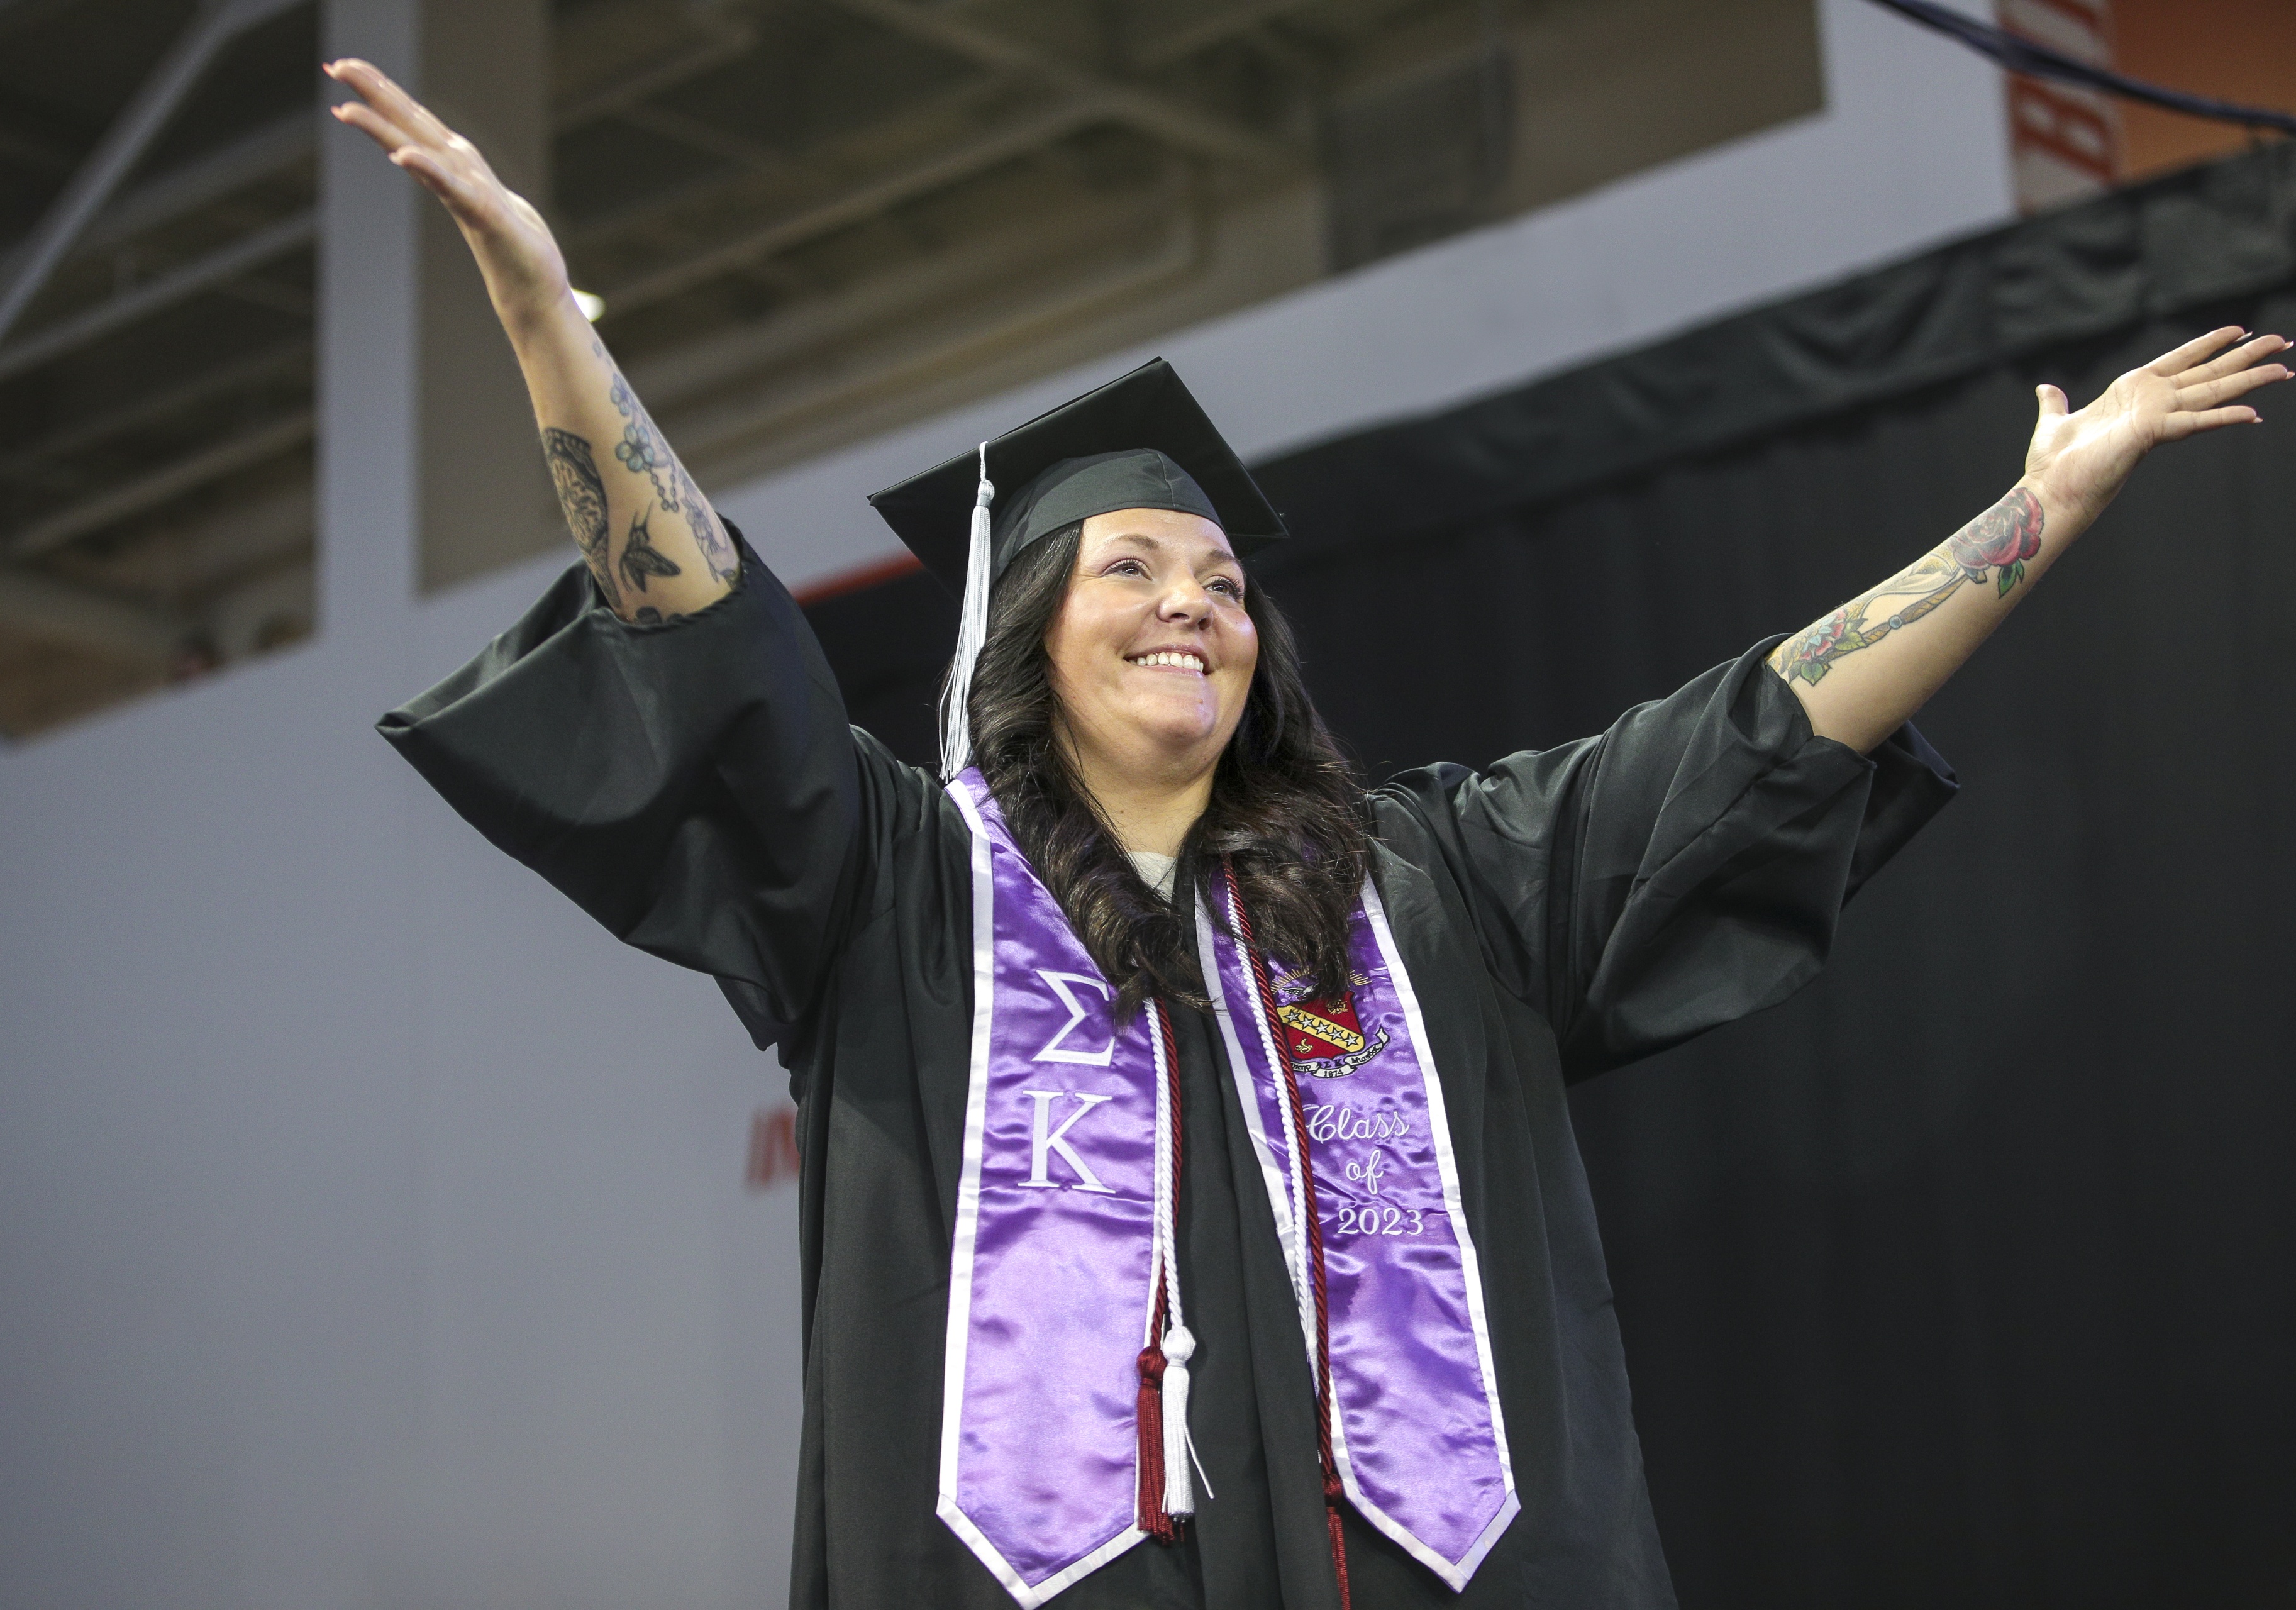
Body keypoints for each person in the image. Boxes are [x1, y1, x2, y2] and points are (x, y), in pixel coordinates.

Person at [333, 55, 2287, 1610]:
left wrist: (2036, 514)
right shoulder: (903, 896)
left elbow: (1762, 729)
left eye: (1221, 577)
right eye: (1132, 565)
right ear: (1026, 628)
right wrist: (539, 313)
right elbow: (710, 644)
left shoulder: (1434, 883)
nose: (1194, 599)